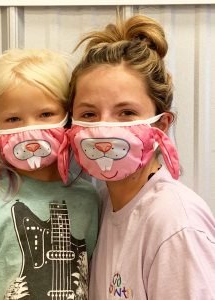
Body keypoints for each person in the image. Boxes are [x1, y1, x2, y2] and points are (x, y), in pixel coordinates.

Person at [64, 15, 215, 299]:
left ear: (160, 125)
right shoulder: (105, 203)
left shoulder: (174, 223)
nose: (104, 129)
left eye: (127, 113)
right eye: (88, 114)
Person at [0, 48, 99, 300]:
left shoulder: (91, 197)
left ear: (68, 118)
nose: (30, 131)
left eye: (45, 114)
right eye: (13, 119)